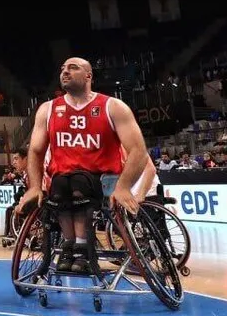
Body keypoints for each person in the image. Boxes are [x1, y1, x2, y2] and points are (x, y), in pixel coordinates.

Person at [17, 57, 148, 275]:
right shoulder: (48, 109)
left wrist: (124, 186)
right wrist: (34, 187)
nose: (65, 72)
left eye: (73, 68)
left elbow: (139, 151)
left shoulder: (113, 107)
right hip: (63, 179)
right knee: (59, 185)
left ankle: (81, 246)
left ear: (89, 76)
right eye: (62, 69)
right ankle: (70, 246)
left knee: (78, 183)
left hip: (102, 179)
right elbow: (36, 151)